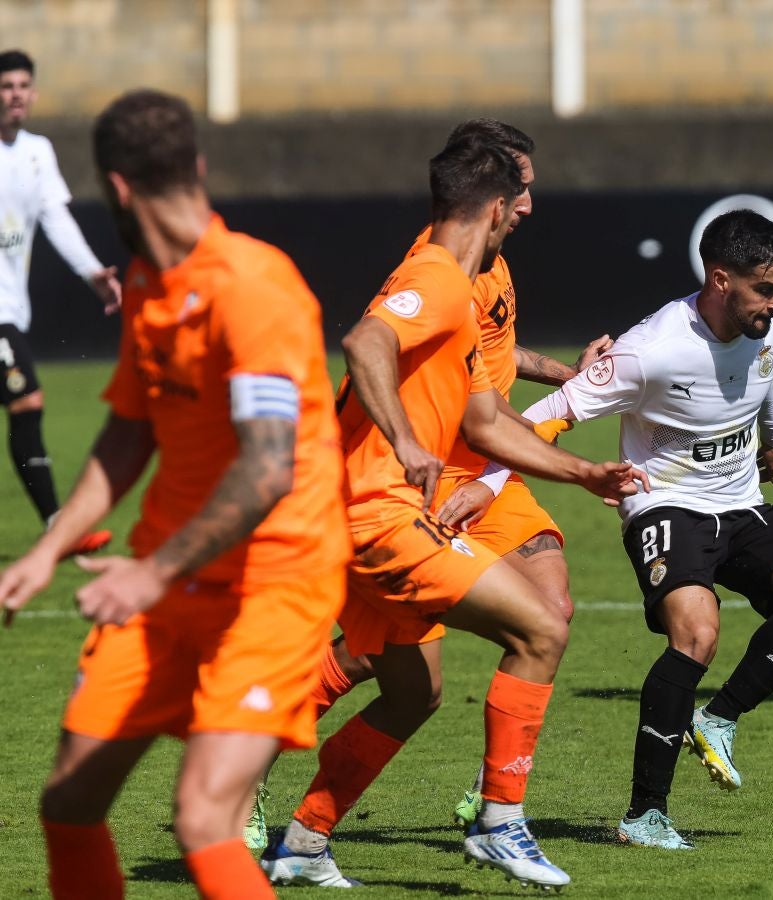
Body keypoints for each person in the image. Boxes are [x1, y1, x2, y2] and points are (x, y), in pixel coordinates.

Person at [258, 131, 647, 890]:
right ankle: (501, 820)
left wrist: (582, 473)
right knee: (539, 626)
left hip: (369, 514)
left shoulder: (461, 290)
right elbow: (363, 340)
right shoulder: (435, 279)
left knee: (412, 693)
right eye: (517, 201)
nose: (523, 214)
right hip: (377, 513)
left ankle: (303, 840)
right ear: (495, 206)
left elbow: (486, 422)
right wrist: (403, 440)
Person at [0, 88, 351, 900]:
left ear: (114, 189)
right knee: (70, 802)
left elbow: (267, 471)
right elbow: (128, 434)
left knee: (203, 818)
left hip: (274, 584)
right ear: (194, 165)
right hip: (170, 586)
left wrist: (149, 573)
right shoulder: (149, 283)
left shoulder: (253, 288)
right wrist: (49, 548)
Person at [506, 210, 773, 850]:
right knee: (697, 633)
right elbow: (548, 414)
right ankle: (645, 816)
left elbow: (761, 378)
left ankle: (718, 720)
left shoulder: (766, 325)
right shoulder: (653, 350)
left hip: (739, 501)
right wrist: (487, 482)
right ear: (720, 279)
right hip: (665, 505)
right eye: (766, 290)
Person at [0, 49, 121, 554]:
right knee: (27, 399)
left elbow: (57, 220)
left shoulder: (36, 152)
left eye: (23, 85)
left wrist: (93, 272)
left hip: (11, 310)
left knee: (24, 405)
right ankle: (57, 525)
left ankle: (57, 526)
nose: (15, 95)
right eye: (6, 86)